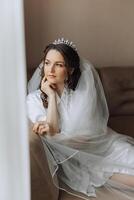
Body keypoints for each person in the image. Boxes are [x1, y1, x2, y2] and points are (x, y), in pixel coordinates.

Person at [27, 38, 134, 200]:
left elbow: (85, 135)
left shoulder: (82, 94)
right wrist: (51, 97)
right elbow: (53, 132)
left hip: (104, 145)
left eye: (59, 65)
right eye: (47, 63)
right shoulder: (33, 100)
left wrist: (52, 129)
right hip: (80, 159)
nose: (50, 70)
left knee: (129, 154)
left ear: (70, 70)